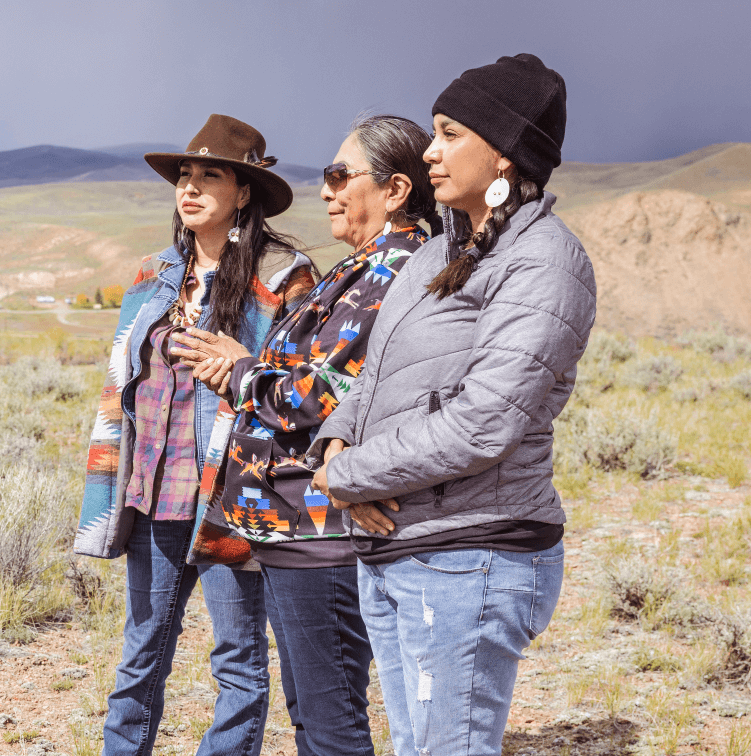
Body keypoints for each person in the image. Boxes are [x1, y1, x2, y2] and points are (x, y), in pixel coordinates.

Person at [309, 55, 597, 756]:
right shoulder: (437, 253)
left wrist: (350, 479)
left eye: (449, 133)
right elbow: (373, 378)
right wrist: (335, 446)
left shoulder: (544, 261)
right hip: (400, 547)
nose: (431, 152)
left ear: (504, 151)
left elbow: (485, 420)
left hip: (472, 555)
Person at [171, 114, 440, 756]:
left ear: (395, 189)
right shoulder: (365, 267)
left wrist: (240, 372)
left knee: (328, 717)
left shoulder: (387, 274)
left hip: (318, 531)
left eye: (340, 175)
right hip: (292, 529)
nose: (327, 190)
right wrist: (252, 369)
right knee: (315, 708)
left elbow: (315, 397)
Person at [73, 114, 316, 756]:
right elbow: (118, 386)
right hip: (154, 495)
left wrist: (248, 365)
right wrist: (110, 486)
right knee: (140, 652)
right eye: (185, 173)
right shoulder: (153, 274)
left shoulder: (286, 274)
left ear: (245, 192)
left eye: (211, 174)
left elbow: (310, 389)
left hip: (231, 499)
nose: (190, 185)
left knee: (237, 658)